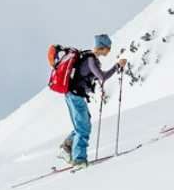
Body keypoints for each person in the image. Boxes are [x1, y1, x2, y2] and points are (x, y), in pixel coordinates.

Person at [52, 34, 127, 168]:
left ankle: (67, 148)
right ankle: (79, 160)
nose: (109, 50)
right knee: (83, 127)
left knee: (83, 124)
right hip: (75, 96)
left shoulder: (88, 57)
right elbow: (102, 77)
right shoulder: (91, 59)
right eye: (108, 48)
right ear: (102, 47)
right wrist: (117, 66)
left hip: (73, 95)